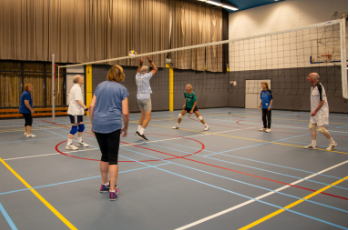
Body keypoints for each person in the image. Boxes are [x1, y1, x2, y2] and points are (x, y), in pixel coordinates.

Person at [89, 64, 129, 201]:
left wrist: (92, 122)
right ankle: (112, 190)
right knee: (113, 158)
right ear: (121, 75)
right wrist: (126, 127)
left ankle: (104, 184)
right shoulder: (122, 89)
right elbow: (125, 112)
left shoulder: (100, 86)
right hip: (113, 125)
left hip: (98, 123)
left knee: (104, 154)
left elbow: (91, 106)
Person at [304, 72, 337, 150]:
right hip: (314, 111)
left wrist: (315, 111)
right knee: (311, 126)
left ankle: (332, 143)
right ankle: (313, 144)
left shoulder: (319, 87)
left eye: (309, 76)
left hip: (321, 111)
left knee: (321, 129)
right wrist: (313, 111)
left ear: (314, 78)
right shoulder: (312, 87)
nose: (307, 78)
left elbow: (322, 101)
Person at [135, 56, 158, 141]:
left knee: (143, 115)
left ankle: (138, 130)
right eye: (148, 70)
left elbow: (138, 71)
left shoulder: (137, 76)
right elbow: (155, 69)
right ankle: (141, 133)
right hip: (146, 98)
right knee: (148, 117)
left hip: (139, 98)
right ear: (146, 71)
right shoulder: (147, 76)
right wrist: (150, 60)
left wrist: (140, 64)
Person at [66, 75, 89, 150]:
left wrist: (81, 111)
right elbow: (78, 100)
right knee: (74, 128)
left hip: (78, 111)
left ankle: (79, 141)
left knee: (81, 126)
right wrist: (86, 108)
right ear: (78, 80)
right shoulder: (76, 88)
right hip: (74, 112)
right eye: (81, 78)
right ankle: (69, 144)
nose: (83, 78)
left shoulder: (78, 87)